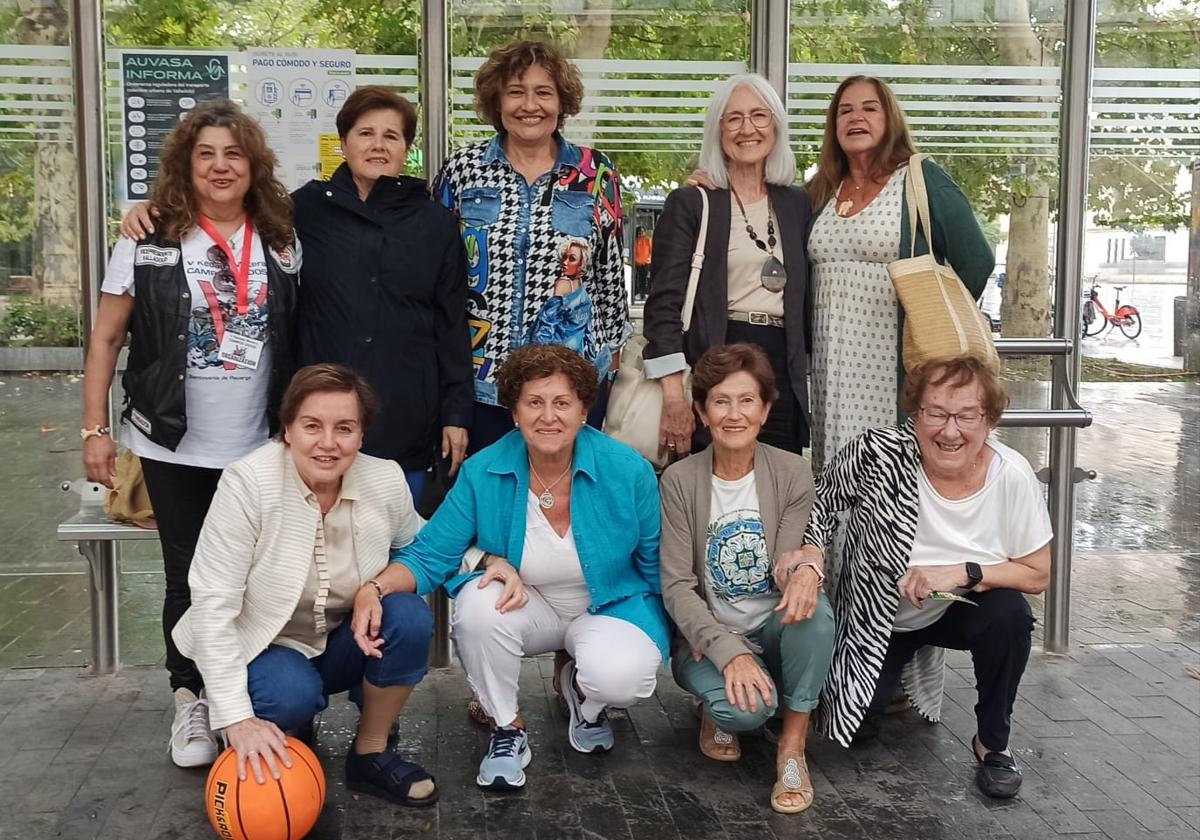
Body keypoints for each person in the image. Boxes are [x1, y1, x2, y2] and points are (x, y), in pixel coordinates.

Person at [122, 86, 473, 503]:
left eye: (391, 136)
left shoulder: (434, 223)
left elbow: (452, 323)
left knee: (399, 542)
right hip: (318, 414)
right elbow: (226, 208)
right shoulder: (300, 211)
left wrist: (456, 414)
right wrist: (154, 210)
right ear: (343, 143)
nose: (377, 145)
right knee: (313, 548)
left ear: (406, 149)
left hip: (407, 410)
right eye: (365, 133)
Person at [83, 99, 299, 768]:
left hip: (260, 441)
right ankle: (190, 701)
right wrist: (95, 428)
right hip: (170, 441)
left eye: (233, 154)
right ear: (187, 164)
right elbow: (107, 336)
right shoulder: (147, 238)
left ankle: (242, 696)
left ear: (253, 165)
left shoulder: (282, 239)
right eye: (206, 154)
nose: (220, 165)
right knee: (189, 577)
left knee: (254, 577)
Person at [354, 344, 670, 791]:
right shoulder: (484, 470)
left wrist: (685, 631)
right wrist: (375, 588)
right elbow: (431, 553)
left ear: (584, 411)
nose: (548, 416)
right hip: (528, 606)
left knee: (623, 679)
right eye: (534, 403)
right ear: (515, 413)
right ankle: (508, 727)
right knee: (477, 607)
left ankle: (586, 700)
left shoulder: (629, 471)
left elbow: (655, 559)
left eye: (562, 403)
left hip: (610, 604)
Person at [172, 364, 437, 806]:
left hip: (341, 640)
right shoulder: (247, 483)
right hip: (261, 645)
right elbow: (211, 607)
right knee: (290, 699)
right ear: (288, 429)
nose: (328, 443)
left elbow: (424, 545)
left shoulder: (383, 477)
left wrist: (487, 563)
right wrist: (236, 717)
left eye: (345, 428)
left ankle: (370, 753)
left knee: (408, 616)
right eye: (312, 426)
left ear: (362, 434)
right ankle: (260, 715)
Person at [802, 355, 1051, 799]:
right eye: (935, 413)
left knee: (1010, 615)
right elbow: (820, 500)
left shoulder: (1011, 475)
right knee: (851, 728)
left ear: (989, 420)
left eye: (966, 416)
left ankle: (993, 744)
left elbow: (1037, 574)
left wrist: (966, 572)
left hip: (961, 608)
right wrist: (809, 557)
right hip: (881, 617)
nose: (950, 430)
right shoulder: (879, 453)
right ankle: (890, 675)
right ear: (915, 415)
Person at [659, 344, 835, 815]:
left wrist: (804, 567)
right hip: (708, 638)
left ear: (766, 409)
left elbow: (786, 557)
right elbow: (676, 585)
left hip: (772, 625)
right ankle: (716, 705)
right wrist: (726, 648)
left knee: (816, 612)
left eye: (746, 401)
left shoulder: (793, 471)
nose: (733, 414)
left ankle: (792, 748)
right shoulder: (678, 481)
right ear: (701, 411)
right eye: (720, 401)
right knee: (744, 712)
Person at [433, 39, 629, 454]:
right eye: (516, 92)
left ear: (562, 103)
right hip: (481, 381)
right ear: (496, 101)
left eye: (544, 92)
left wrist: (612, 359)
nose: (530, 105)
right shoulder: (462, 170)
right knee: (491, 503)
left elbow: (610, 274)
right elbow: (438, 274)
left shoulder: (595, 173)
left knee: (566, 501)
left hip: (571, 383)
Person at [805, 75, 994, 470]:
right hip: (830, 368)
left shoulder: (921, 179)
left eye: (869, 108)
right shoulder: (821, 189)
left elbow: (976, 259)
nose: (856, 117)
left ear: (890, 118)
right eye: (845, 110)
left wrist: (930, 323)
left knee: (890, 481)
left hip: (892, 368)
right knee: (836, 480)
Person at [642, 73, 812, 462]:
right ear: (717, 131)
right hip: (714, 360)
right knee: (712, 489)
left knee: (776, 487)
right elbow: (664, 306)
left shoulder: (796, 204)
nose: (747, 129)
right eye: (733, 119)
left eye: (759, 116)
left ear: (776, 127)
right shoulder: (693, 203)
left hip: (781, 368)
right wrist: (674, 396)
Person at [633, 225, 652, 299]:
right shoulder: (635, 241)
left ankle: (645, 293)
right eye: (640, 232)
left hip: (646, 263)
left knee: (645, 278)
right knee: (637, 278)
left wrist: (649, 258)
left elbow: (651, 251)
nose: (641, 233)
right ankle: (638, 293)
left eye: (643, 232)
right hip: (637, 263)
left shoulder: (648, 240)